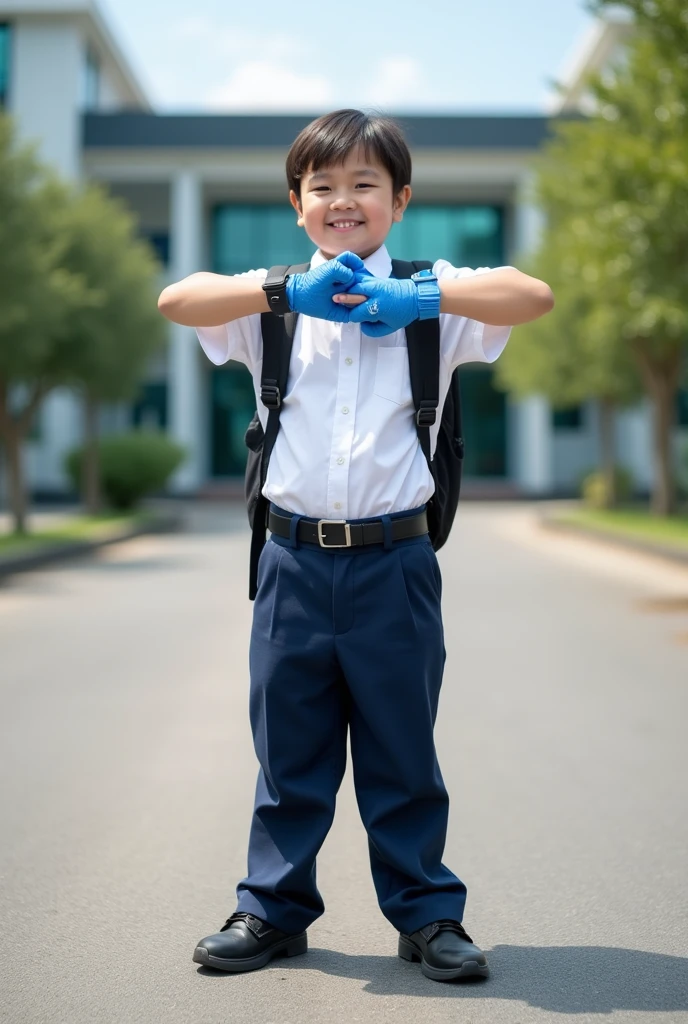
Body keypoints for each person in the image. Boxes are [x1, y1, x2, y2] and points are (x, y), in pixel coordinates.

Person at [158, 108, 554, 983]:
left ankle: (426, 915)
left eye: (365, 184)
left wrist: (423, 297)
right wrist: (277, 292)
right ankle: (271, 910)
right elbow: (174, 298)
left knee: (401, 751)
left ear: (400, 199)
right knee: (288, 751)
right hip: (293, 564)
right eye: (323, 187)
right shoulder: (270, 306)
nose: (344, 201)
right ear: (297, 203)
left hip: (395, 563)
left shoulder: (432, 299)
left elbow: (533, 295)